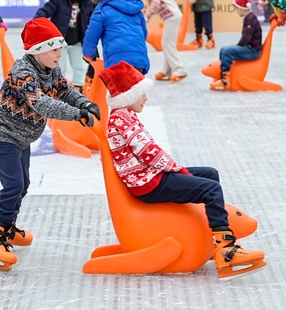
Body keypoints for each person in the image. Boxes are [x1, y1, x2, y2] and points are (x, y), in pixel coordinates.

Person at [99, 60, 265, 278]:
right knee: (211, 189)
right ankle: (227, 250)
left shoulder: (124, 116)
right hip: (150, 184)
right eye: (141, 94)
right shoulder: (122, 118)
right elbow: (148, 152)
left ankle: (212, 235)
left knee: (210, 173)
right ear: (129, 95)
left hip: (148, 176)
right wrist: (176, 169)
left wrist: (175, 170)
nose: (146, 99)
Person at [0, 17, 99, 270]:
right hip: (2, 133)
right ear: (38, 50)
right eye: (54, 48)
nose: (60, 53)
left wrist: (84, 103)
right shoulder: (23, 73)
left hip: (22, 135)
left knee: (23, 184)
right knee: (13, 184)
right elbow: (42, 103)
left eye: (60, 47)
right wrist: (75, 114)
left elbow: (65, 90)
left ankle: (9, 226)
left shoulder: (51, 69)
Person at [33, 0, 94, 90]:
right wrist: (35, 22)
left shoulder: (86, 2)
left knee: (79, 67)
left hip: (77, 41)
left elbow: (93, 17)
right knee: (60, 68)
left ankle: (78, 90)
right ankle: (58, 90)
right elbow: (45, 11)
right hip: (60, 42)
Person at [82, 0, 149, 74]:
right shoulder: (136, 10)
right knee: (135, 87)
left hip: (116, 61)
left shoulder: (101, 10)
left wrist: (88, 54)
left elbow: (92, 35)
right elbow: (144, 33)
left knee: (120, 87)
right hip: (138, 59)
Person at [138, 0, 186, 82]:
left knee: (167, 43)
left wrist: (146, 17)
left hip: (172, 17)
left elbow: (155, 3)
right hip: (172, 16)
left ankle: (179, 69)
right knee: (167, 43)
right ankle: (167, 70)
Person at [212, 0, 262, 90]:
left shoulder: (250, 19)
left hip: (253, 51)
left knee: (228, 51)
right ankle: (223, 74)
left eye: (236, 8)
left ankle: (225, 80)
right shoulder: (249, 17)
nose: (235, 11)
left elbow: (246, 38)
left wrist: (237, 47)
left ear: (241, 8)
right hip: (250, 48)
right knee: (223, 50)